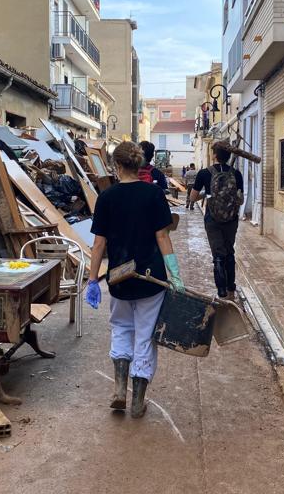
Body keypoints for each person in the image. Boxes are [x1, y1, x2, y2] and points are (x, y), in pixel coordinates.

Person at [85, 141, 185, 418]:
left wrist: (93, 280)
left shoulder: (107, 197)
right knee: (145, 336)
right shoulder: (153, 194)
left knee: (120, 329)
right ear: (138, 164)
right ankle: (138, 400)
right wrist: (175, 274)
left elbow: (98, 244)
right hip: (151, 279)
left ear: (116, 166)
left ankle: (119, 389)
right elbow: (163, 236)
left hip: (119, 279)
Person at [189, 143, 243, 299]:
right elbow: (240, 199)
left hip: (212, 219)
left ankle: (221, 292)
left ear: (214, 155)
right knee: (229, 251)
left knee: (218, 255)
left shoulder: (204, 173)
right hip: (231, 219)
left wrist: (208, 194)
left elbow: (193, 198)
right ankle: (231, 288)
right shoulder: (236, 174)